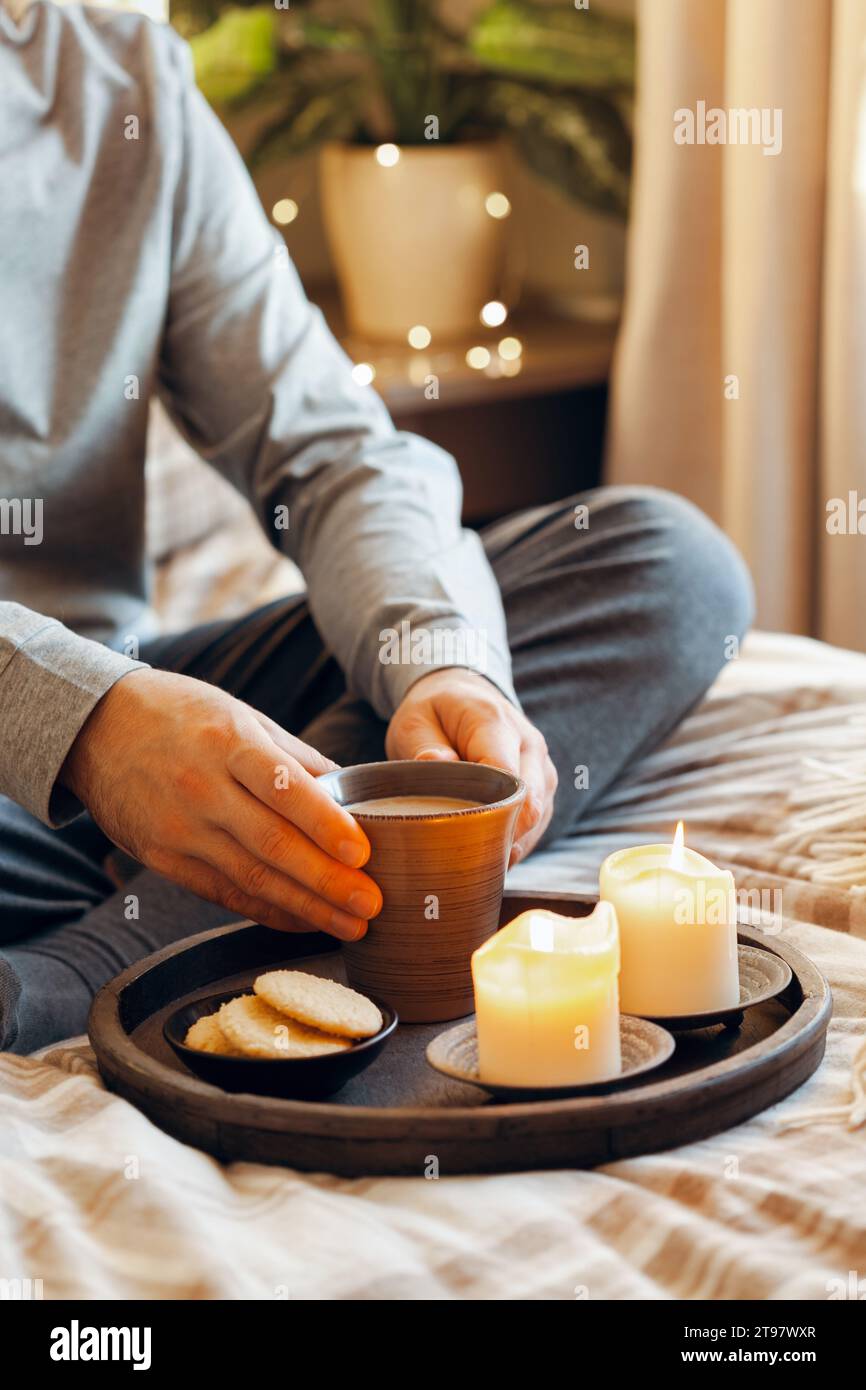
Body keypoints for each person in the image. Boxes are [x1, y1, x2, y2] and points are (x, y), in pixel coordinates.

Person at [0, 0, 753, 1052]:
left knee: (662, 566)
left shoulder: (117, 64)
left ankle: (129, 932)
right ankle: (98, 965)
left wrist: (439, 666)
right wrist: (80, 725)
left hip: (131, 712)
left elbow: (331, 448)